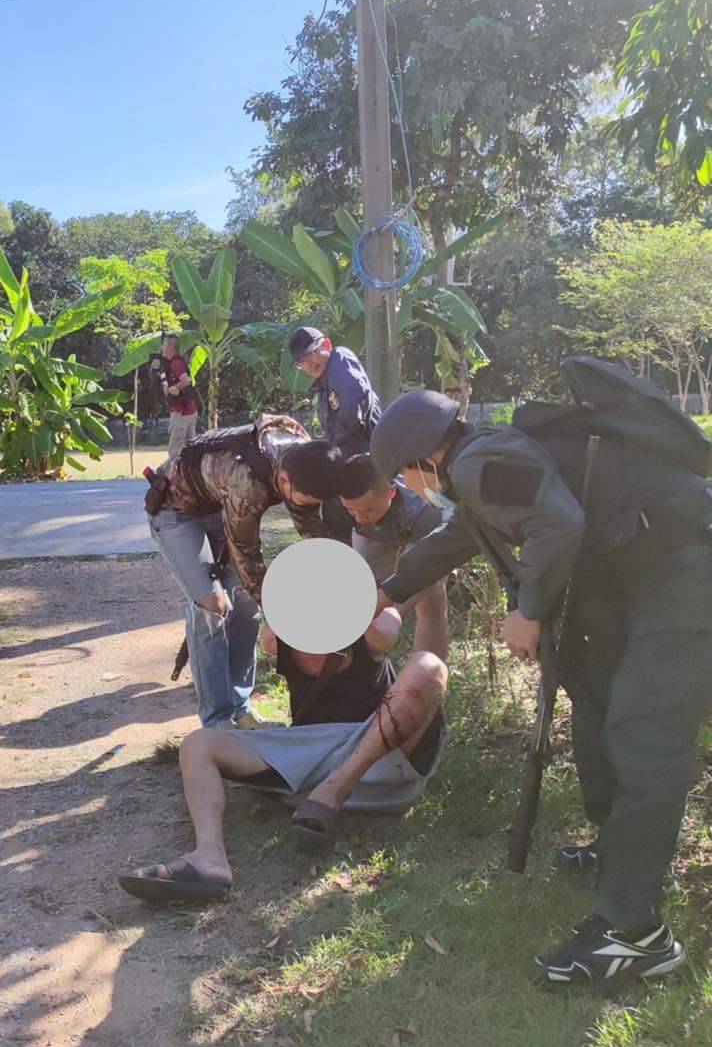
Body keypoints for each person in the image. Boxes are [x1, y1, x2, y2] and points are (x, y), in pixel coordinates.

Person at [368, 383, 712, 990]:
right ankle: (619, 855)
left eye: (403, 473)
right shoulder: (483, 460)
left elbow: (560, 521)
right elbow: (458, 537)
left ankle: (634, 934)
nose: (409, 485)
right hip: (659, 571)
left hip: (686, 572)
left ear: (421, 458)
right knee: (600, 708)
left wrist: (529, 611)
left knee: (644, 734)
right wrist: (389, 591)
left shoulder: (476, 463)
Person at [118, 612, 448, 903]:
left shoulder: (373, 631)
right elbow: (271, 637)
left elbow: (398, 631)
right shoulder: (285, 635)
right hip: (308, 759)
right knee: (198, 744)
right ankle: (208, 858)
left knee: (428, 667)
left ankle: (336, 789)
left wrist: (428, 593)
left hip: (382, 753)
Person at [148, 415, 340, 728]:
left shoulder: (306, 456)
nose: (307, 506)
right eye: (303, 500)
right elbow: (247, 557)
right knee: (212, 606)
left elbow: (311, 527)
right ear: (285, 481)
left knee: (245, 603)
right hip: (174, 511)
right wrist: (283, 618)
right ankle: (217, 720)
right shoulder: (248, 483)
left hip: (218, 504)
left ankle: (240, 707)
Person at [323, 454, 449, 660]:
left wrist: (395, 613)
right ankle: (357, 661)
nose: (359, 518)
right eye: (351, 510)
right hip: (373, 536)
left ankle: (429, 671)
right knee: (365, 589)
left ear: (391, 492)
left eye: (367, 509)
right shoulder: (336, 508)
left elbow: (425, 572)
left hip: (420, 533)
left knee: (431, 598)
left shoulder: (424, 512)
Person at [288, 325, 381, 457]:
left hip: (370, 457)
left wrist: (327, 452)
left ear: (327, 345)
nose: (309, 364)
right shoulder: (323, 385)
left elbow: (352, 418)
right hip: (354, 459)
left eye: (311, 353)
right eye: (302, 361)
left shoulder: (340, 360)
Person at [159, 332, 199, 462]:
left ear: (171, 347)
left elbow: (185, 381)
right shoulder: (172, 364)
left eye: (164, 344)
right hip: (189, 411)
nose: (161, 347)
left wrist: (174, 388)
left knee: (175, 453)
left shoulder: (176, 363)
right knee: (190, 450)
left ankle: (174, 474)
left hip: (181, 413)